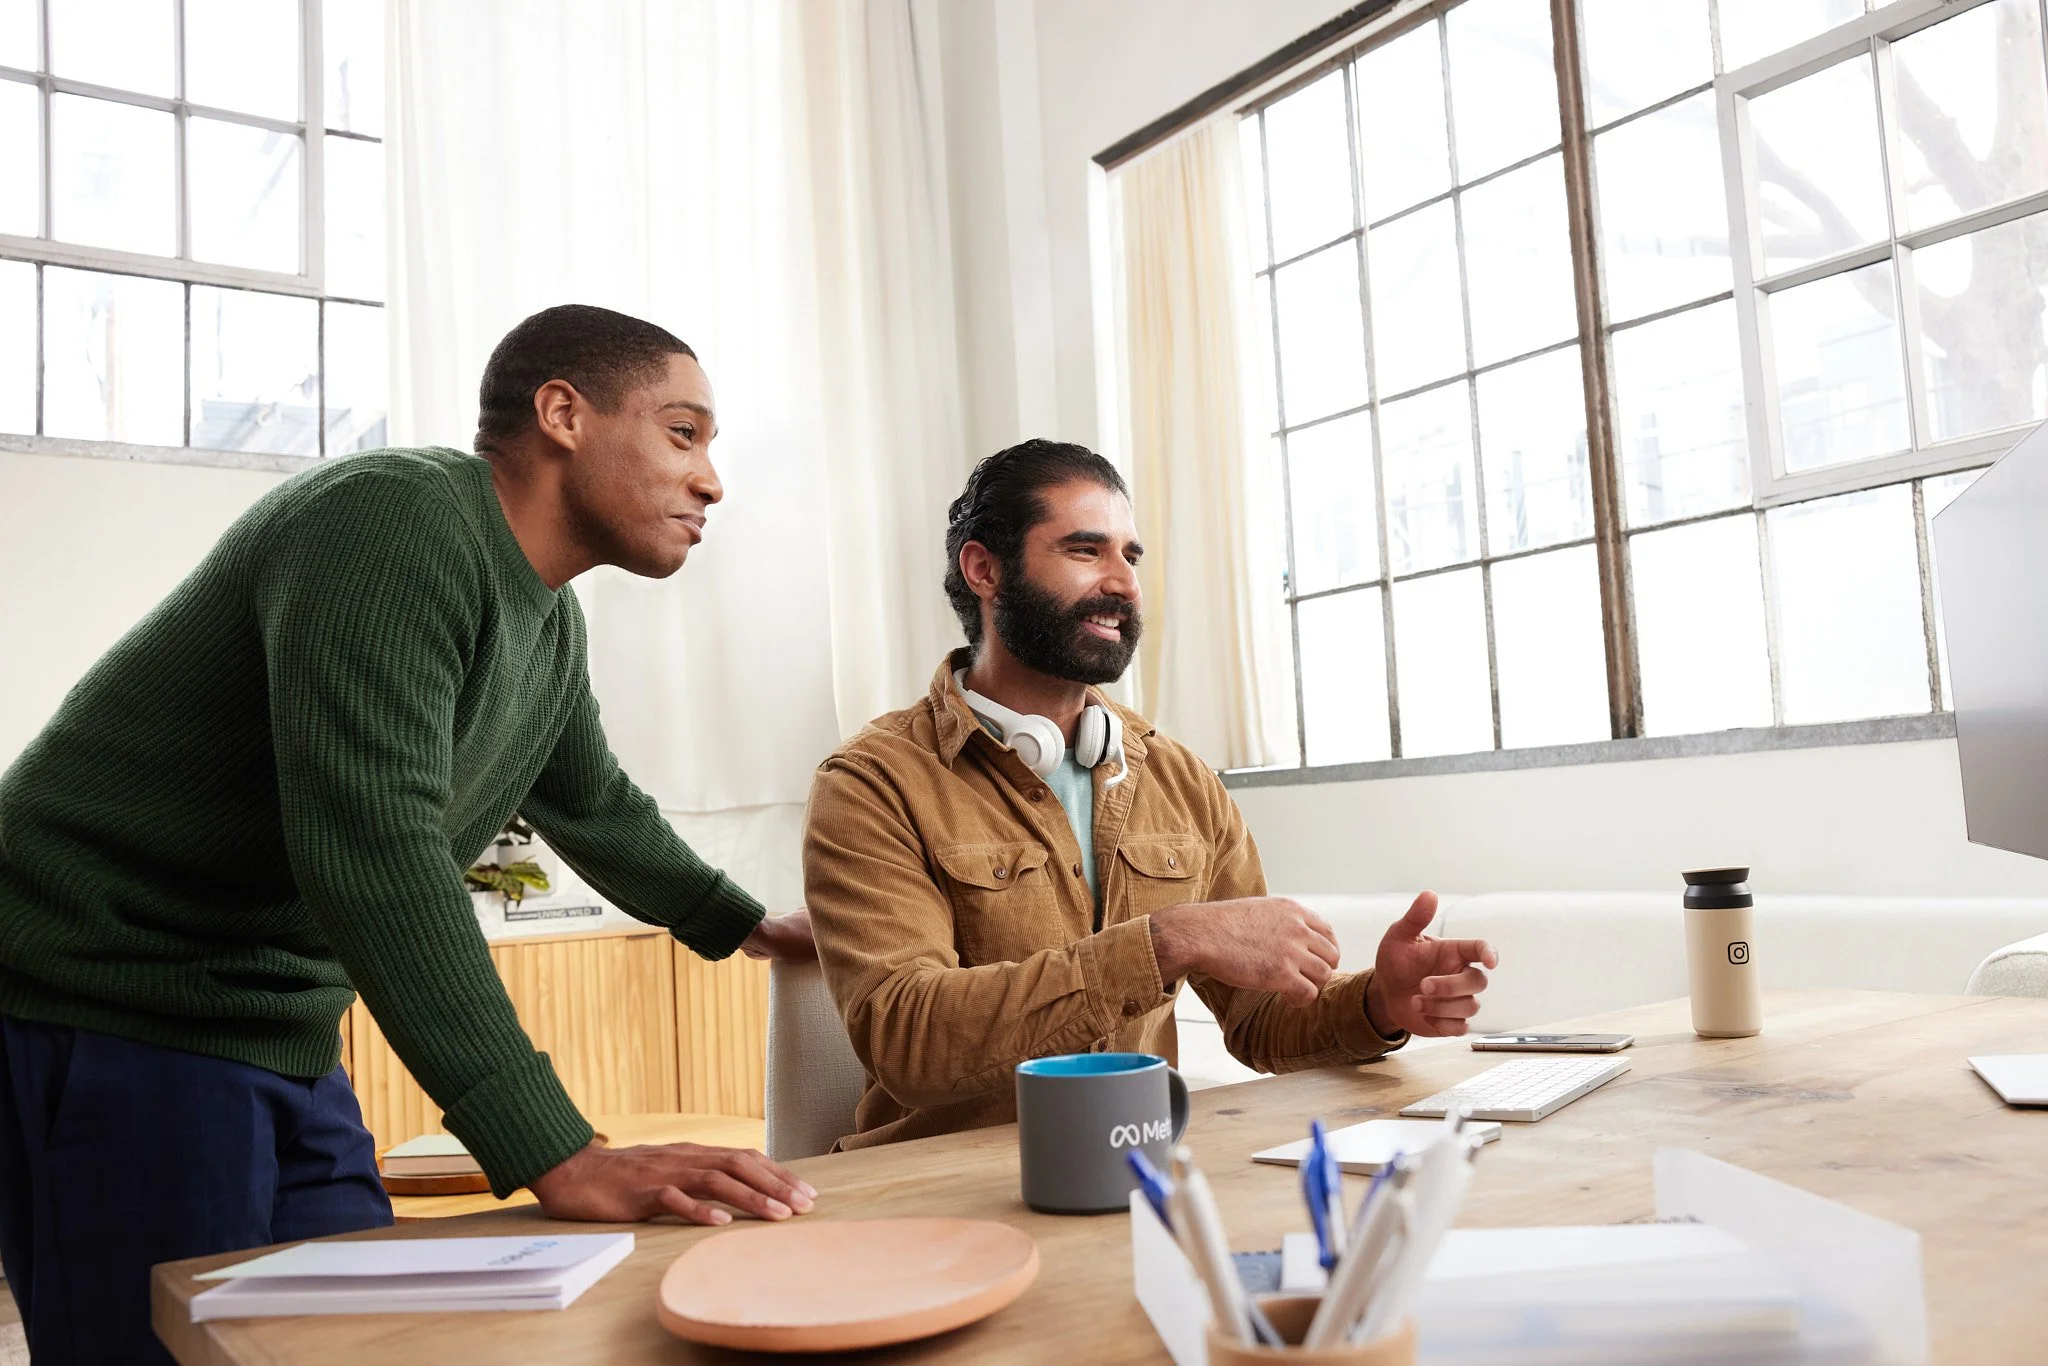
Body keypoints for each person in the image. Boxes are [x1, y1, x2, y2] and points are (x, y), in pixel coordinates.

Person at [0, 304, 817, 1363]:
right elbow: (373, 847)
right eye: (683, 432)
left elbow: (591, 801)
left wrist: (745, 924)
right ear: (562, 413)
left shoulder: (546, 621)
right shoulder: (393, 520)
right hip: (110, 999)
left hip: (281, 1023)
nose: (711, 479)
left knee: (367, 1344)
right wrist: (555, 1150)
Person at [804, 439, 1497, 1150]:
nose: (1124, 584)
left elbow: (1261, 1025)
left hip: (1135, 1168)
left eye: (1129, 556)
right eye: (1085, 551)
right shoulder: (871, 783)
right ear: (984, 570)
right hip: (942, 1196)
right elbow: (908, 1039)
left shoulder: (1179, 779)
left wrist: (1380, 1003)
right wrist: (1168, 942)